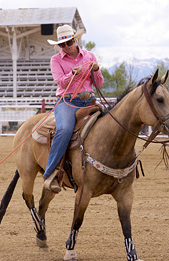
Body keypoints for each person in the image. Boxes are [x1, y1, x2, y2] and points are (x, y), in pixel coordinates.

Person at [44, 24, 104, 193]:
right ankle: (51, 173)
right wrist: (72, 74)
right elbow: (60, 82)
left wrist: (97, 69)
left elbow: (99, 83)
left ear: (74, 40)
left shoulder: (90, 56)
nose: (66, 47)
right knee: (64, 130)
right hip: (68, 101)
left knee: (111, 124)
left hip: (89, 101)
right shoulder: (56, 60)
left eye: (68, 43)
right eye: (62, 45)